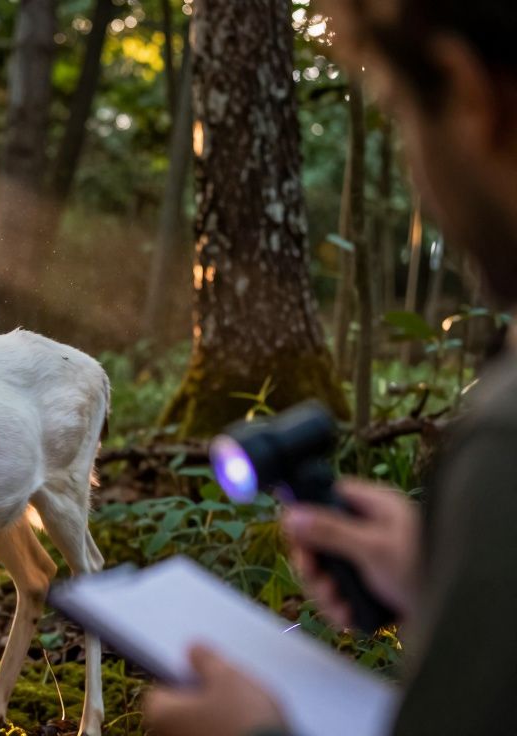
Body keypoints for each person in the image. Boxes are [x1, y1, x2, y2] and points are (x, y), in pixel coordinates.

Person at [142, 1, 517, 734]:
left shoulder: (506, 445)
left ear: (468, 92)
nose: (415, 168)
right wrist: (443, 582)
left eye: (400, 111)